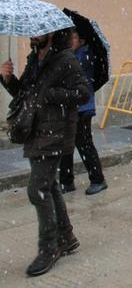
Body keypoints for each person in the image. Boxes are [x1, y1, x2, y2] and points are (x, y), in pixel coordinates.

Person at [1, 28, 91, 276]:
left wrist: (52, 95)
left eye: (37, 33)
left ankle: (49, 248)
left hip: (56, 132)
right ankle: (66, 237)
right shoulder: (35, 59)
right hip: (36, 130)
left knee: (37, 189)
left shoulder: (65, 59)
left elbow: (83, 93)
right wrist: (8, 79)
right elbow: (25, 95)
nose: (32, 36)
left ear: (50, 35)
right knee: (49, 185)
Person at [59, 30, 108, 195]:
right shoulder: (72, 55)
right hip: (69, 107)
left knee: (84, 144)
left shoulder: (85, 56)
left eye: (72, 37)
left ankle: (98, 179)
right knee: (66, 145)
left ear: (82, 40)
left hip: (82, 108)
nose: (69, 41)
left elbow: (72, 74)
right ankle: (66, 181)